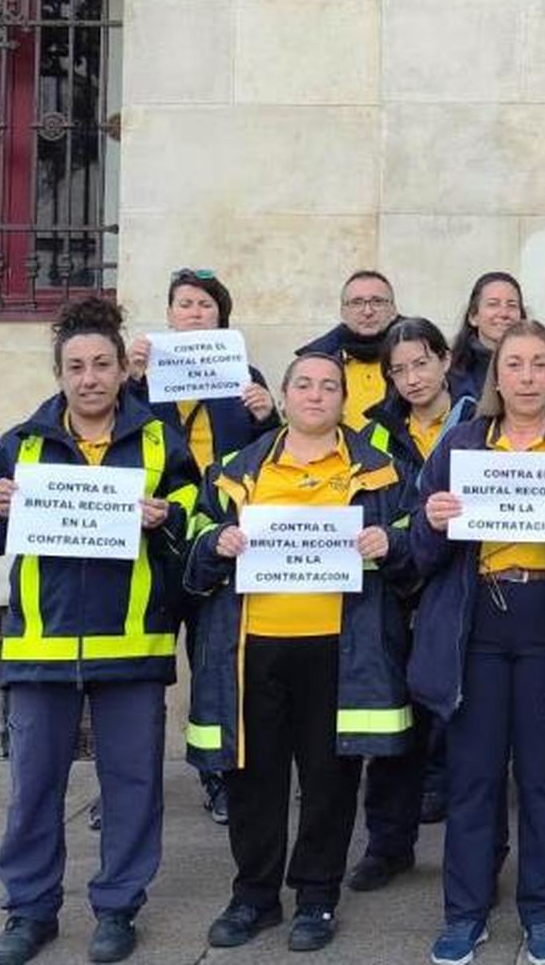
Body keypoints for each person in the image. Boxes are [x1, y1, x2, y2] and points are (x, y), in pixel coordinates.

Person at [0, 298, 199, 965]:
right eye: (76, 366)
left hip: (132, 646)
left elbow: (195, 514)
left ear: (124, 368)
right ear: (60, 373)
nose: (90, 377)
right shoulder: (22, 441)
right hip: (41, 646)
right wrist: (0, 506)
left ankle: (118, 907)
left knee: (132, 785)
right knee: (34, 786)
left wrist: (167, 518)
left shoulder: (160, 440)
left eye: (102, 364)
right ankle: (28, 911)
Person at [409, 322, 545, 965]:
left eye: (540, 364)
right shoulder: (459, 447)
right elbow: (419, 556)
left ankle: (543, 914)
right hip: (477, 626)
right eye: (515, 364)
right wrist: (431, 523)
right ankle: (465, 913)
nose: (528, 376)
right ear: (497, 376)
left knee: (544, 782)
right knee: (473, 779)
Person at [186, 353, 416, 954]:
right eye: (304, 385)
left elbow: (420, 555)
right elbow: (187, 554)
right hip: (251, 646)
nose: (316, 395)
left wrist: (391, 542)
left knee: (330, 779)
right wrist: (217, 541)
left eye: (329, 387)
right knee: (251, 780)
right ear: (283, 396)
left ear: (344, 399)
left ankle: (317, 896)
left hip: (341, 648)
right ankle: (254, 897)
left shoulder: (384, 473)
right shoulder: (234, 470)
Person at [127, 266, 277, 825]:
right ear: (168, 315)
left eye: (204, 306)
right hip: (156, 535)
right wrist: (131, 380)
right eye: (184, 304)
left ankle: (217, 776)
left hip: (219, 539)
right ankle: (126, 784)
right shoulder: (138, 377)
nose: (194, 313)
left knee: (214, 661)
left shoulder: (246, 376)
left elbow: (272, 458)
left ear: (221, 317)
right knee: (137, 668)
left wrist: (269, 416)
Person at [348, 318, 483, 893]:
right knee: (397, 725)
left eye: (420, 363)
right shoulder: (373, 434)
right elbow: (370, 514)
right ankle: (387, 845)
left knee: (470, 731)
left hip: (472, 589)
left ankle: (475, 856)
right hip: (400, 594)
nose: (411, 378)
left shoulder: (482, 419)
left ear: (444, 359)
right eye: (398, 370)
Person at [296, 270, 400, 431]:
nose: (367, 311)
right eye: (357, 302)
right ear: (342, 312)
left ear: (393, 309)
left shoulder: (419, 358)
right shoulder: (316, 362)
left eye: (377, 301)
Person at [447, 272, 526, 401]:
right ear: (473, 317)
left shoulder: (540, 367)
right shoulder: (452, 373)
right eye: (493, 304)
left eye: (512, 305)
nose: (504, 313)